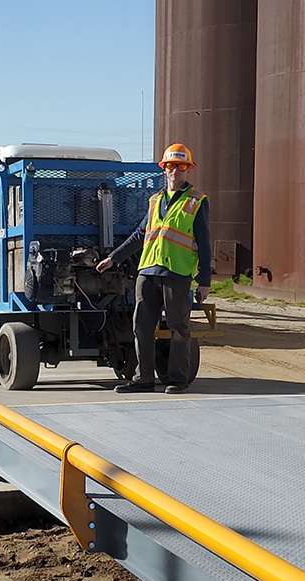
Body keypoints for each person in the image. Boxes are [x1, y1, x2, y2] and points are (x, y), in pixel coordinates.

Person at [96, 143, 212, 394]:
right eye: (170, 166)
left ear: (188, 170)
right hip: (147, 271)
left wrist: (204, 281)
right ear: (164, 170)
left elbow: (204, 243)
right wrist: (114, 258)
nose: (175, 171)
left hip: (177, 273)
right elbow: (140, 235)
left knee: (178, 328)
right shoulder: (155, 200)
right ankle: (143, 379)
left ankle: (177, 380)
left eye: (180, 166)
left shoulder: (197, 201)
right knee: (141, 327)